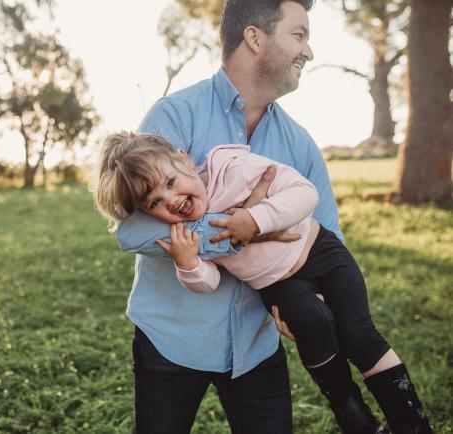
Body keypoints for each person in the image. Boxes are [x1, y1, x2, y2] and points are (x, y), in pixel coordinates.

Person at [94, 132, 433, 434]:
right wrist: (189, 265)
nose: (170, 200)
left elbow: (303, 193)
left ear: (183, 159)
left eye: (169, 183)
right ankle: (351, 412)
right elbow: (210, 280)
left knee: (361, 336)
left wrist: (255, 221)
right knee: (310, 322)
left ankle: (412, 423)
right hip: (279, 283)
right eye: (154, 203)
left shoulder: (232, 167)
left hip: (322, 254)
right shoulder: (191, 230)